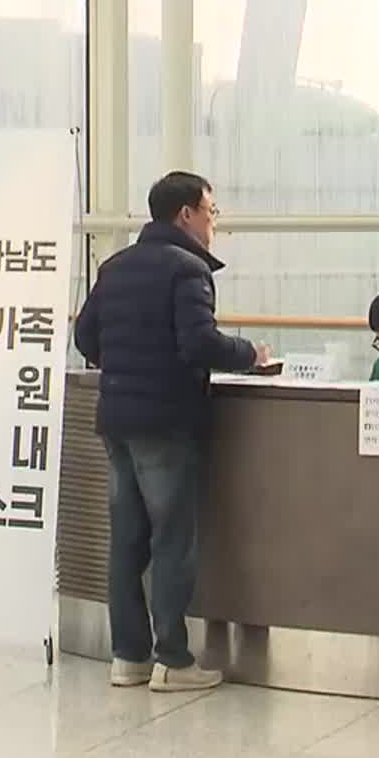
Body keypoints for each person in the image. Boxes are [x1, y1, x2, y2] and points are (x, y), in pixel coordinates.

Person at [74, 171, 270, 693]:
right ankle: (175, 660)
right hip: (166, 421)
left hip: (115, 418)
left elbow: (84, 334)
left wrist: (124, 362)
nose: (213, 221)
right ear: (185, 214)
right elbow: (199, 344)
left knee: (128, 542)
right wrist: (251, 353)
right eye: (211, 210)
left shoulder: (114, 266)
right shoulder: (187, 270)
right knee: (172, 541)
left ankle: (128, 657)